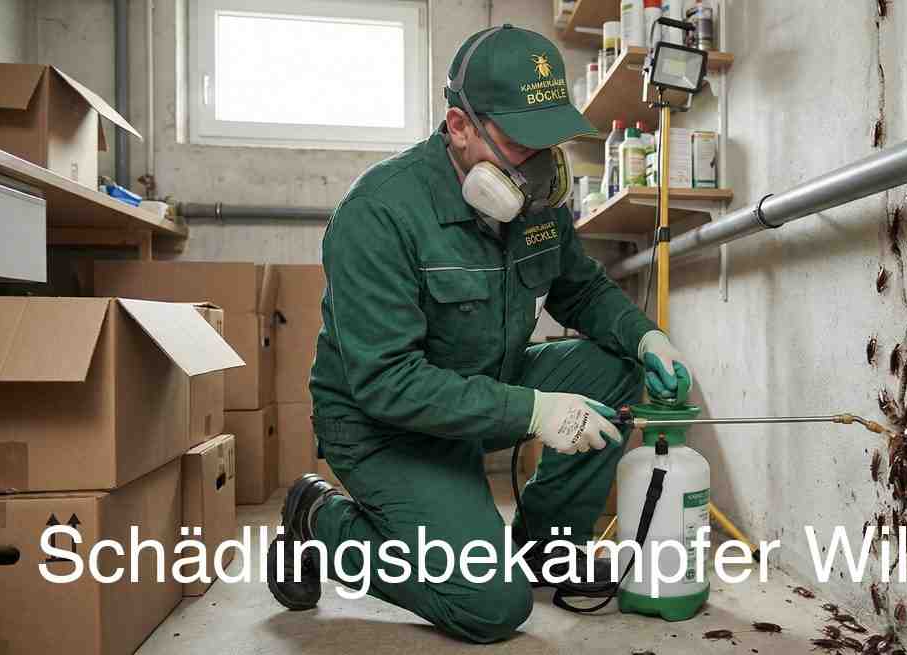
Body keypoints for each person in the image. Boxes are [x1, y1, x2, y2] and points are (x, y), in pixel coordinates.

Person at [265, 24, 694, 644]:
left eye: (551, 142)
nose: (541, 166)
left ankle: (546, 549)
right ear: (460, 127)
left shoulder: (535, 199)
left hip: (483, 387)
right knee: (490, 606)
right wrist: (534, 410)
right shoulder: (379, 214)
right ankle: (320, 520)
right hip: (385, 428)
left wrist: (646, 338)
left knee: (614, 367)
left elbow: (581, 288)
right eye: (523, 143)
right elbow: (387, 382)